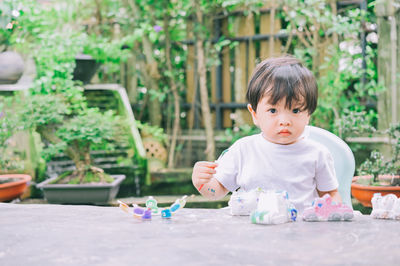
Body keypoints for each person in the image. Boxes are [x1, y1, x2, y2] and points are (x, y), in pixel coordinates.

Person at [191, 55, 341, 212]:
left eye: (295, 110)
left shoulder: (317, 154)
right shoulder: (243, 150)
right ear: (254, 114)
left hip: (300, 232)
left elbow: (330, 194)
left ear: (308, 114)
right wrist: (202, 183)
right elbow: (217, 191)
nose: (284, 121)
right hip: (252, 232)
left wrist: (331, 210)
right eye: (273, 110)